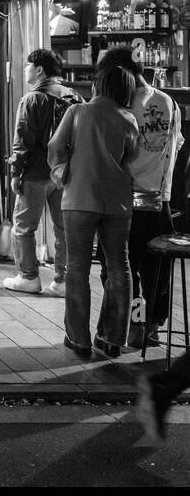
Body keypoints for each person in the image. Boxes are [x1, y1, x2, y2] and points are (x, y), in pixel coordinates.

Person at [47, 65, 140, 358]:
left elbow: (54, 147)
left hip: (79, 198)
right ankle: (113, 338)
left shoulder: (77, 113)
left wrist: (61, 171)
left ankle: (79, 339)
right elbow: (132, 156)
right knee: (119, 267)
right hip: (118, 201)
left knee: (77, 267)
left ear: (98, 85)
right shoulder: (129, 119)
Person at [95, 48, 183, 348]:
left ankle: (129, 326)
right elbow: (177, 146)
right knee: (154, 273)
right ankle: (150, 328)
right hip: (160, 202)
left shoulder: (118, 107)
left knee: (121, 270)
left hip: (123, 204)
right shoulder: (169, 102)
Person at [3, 49, 81, 296]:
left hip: (36, 173)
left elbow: (22, 141)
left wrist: (16, 173)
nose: (25, 70)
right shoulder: (75, 97)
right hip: (67, 175)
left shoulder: (32, 100)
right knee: (64, 229)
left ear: (39, 69)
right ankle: (62, 281)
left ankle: (28, 277)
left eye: (28, 66)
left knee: (24, 227)